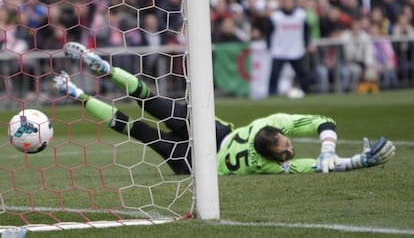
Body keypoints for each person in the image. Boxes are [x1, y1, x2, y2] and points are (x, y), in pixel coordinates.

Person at [53, 42, 396, 175]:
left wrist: (331, 149)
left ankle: (106, 72)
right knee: (135, 128)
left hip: (212, 134)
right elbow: (321, 164)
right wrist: (353, 160)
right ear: (279, 139)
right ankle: (77, 92)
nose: (291, 149)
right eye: (289, 148)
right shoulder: (266, 165)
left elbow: (324, 122)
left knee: (146, 100)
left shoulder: (270, 121)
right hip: (198, 160)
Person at [265, 0, 310, 95]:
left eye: (290, 2)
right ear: (283, 3)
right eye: (287, 2)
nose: (289, 4)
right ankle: (271, 93)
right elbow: (268, 32)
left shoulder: (301, 15)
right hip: (280, 50)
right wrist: (268, 45)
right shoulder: (276, 16)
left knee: (303, 73)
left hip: (296, 49)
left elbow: (306, 31)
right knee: (274, 74)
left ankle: (306, 92)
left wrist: (307, 43)